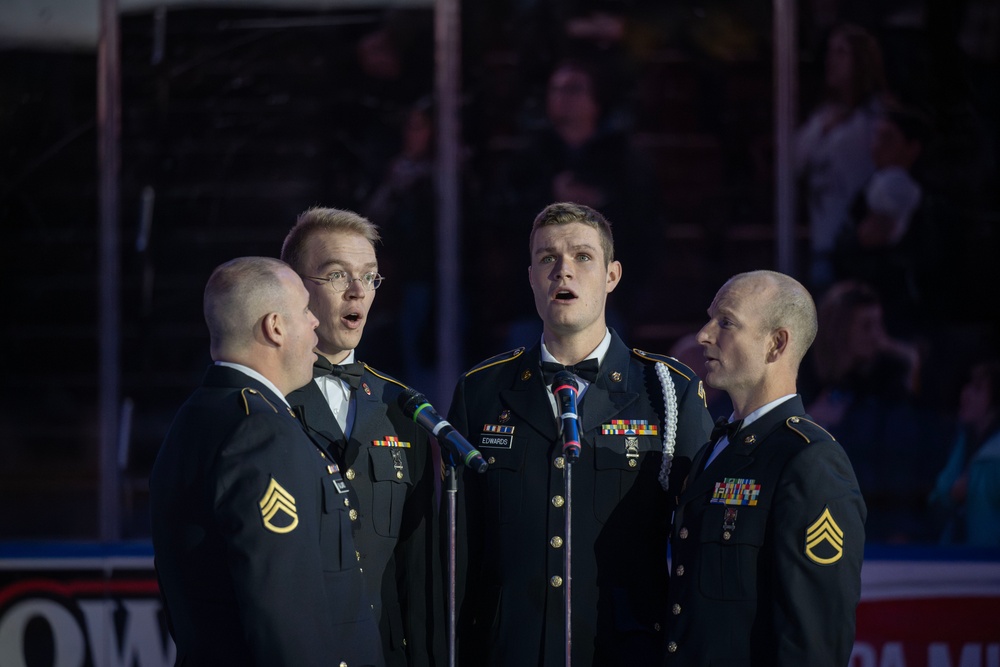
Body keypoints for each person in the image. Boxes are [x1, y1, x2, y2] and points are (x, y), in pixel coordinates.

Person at [449, 202, 713, 667]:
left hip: (627, 651)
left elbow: (701, 546)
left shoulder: (668, 391)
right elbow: (460, 546)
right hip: (509, 652)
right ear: (530, 275)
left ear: (612, 275)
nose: (562, 270)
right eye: (548, 258)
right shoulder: (481, 391)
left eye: (582, 257)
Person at [150, 256, 383, 667]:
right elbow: (287, 615)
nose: (314, 323)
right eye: (305, 311)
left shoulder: (194, 417)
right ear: (275, 327)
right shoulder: (263, 432)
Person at [663, 270, 866, 666]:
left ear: (776, 343)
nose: (703, 335)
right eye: (710, 318)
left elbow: (814, 643)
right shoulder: (715, 448)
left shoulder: (810, 460)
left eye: (726, 322)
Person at [281, 207, 444, 667]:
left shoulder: (402, 407)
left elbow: (415, 567)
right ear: (294, 287)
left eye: (370, 278)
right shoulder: (265, 403)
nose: (358, 291)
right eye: (337, 276)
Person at [795, 23, 887, 291]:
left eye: (841, 52)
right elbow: (791, 163)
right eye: (830, 52)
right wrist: (823, 130)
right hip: (824, 243)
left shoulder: (877, 118)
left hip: (861, 244)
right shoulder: (823, 117)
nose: (831, 61)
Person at [929, 360, 1000, 547]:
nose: (965, 394)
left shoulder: (995, 460)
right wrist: (952, 496)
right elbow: (937, 500)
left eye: (977, 389)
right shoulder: (961, 442)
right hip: (956, 564)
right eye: (967, 386)